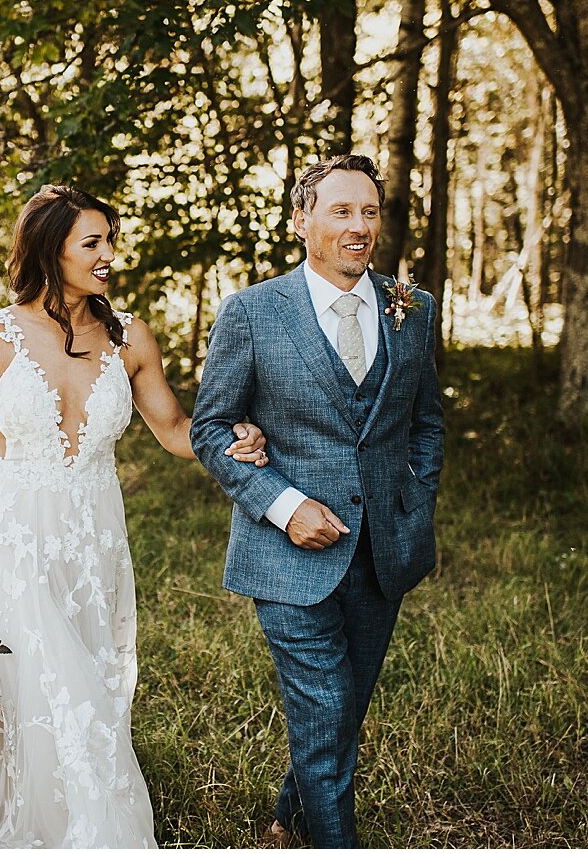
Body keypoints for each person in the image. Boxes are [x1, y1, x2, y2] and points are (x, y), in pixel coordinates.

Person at [0, 184, 269, 849]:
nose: (109, 255)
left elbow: (178, 428)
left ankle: (51, 807)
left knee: (85, 682)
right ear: (51, 249)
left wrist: (232, 437)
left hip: (96, 545)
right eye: (92, 242)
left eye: (110, 240)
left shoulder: (130, 336)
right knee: (59, 687)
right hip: (14, 536)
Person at [190, 154, 445, 848]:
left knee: (342, 713)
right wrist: (283, 504)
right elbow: (209, 428)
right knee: (329, 711)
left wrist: (414, 501)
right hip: (286, 558)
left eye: (369, 211)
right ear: (302, 221)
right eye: (341, 211)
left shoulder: (412, 308)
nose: (359, 227)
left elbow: (426, 420)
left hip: (382, 552)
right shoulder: (251, 313)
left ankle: (289, 819)